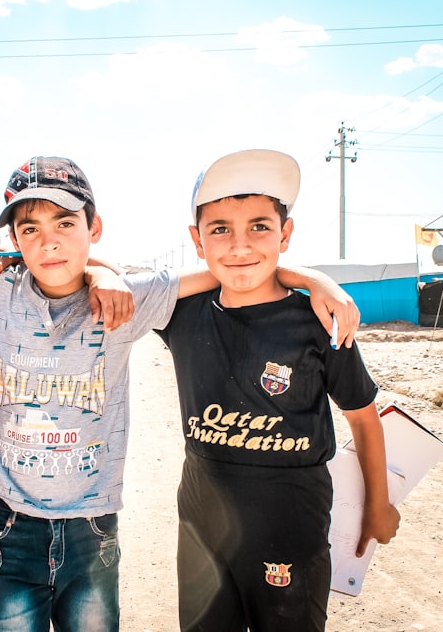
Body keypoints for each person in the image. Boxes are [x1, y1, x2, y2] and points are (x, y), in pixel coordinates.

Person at [0, 155, 361, 632]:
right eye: (29, 229)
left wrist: (316, 280)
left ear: (94, 227)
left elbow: (230, 268)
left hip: (93, 527)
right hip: (8, 523)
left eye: (66, 222)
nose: (49, 241)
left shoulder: (131, 300)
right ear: (11, 239)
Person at [155, 149, 401, 632]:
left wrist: (377, 503)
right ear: (196, 240)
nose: (240, 244)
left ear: (286, 234)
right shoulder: (181, 315)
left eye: (260, 227)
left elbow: (362, 416)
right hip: (203, 533)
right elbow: (105, 279)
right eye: (220, 228)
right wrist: (309, 274)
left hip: (292, 533)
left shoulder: (317, 322)